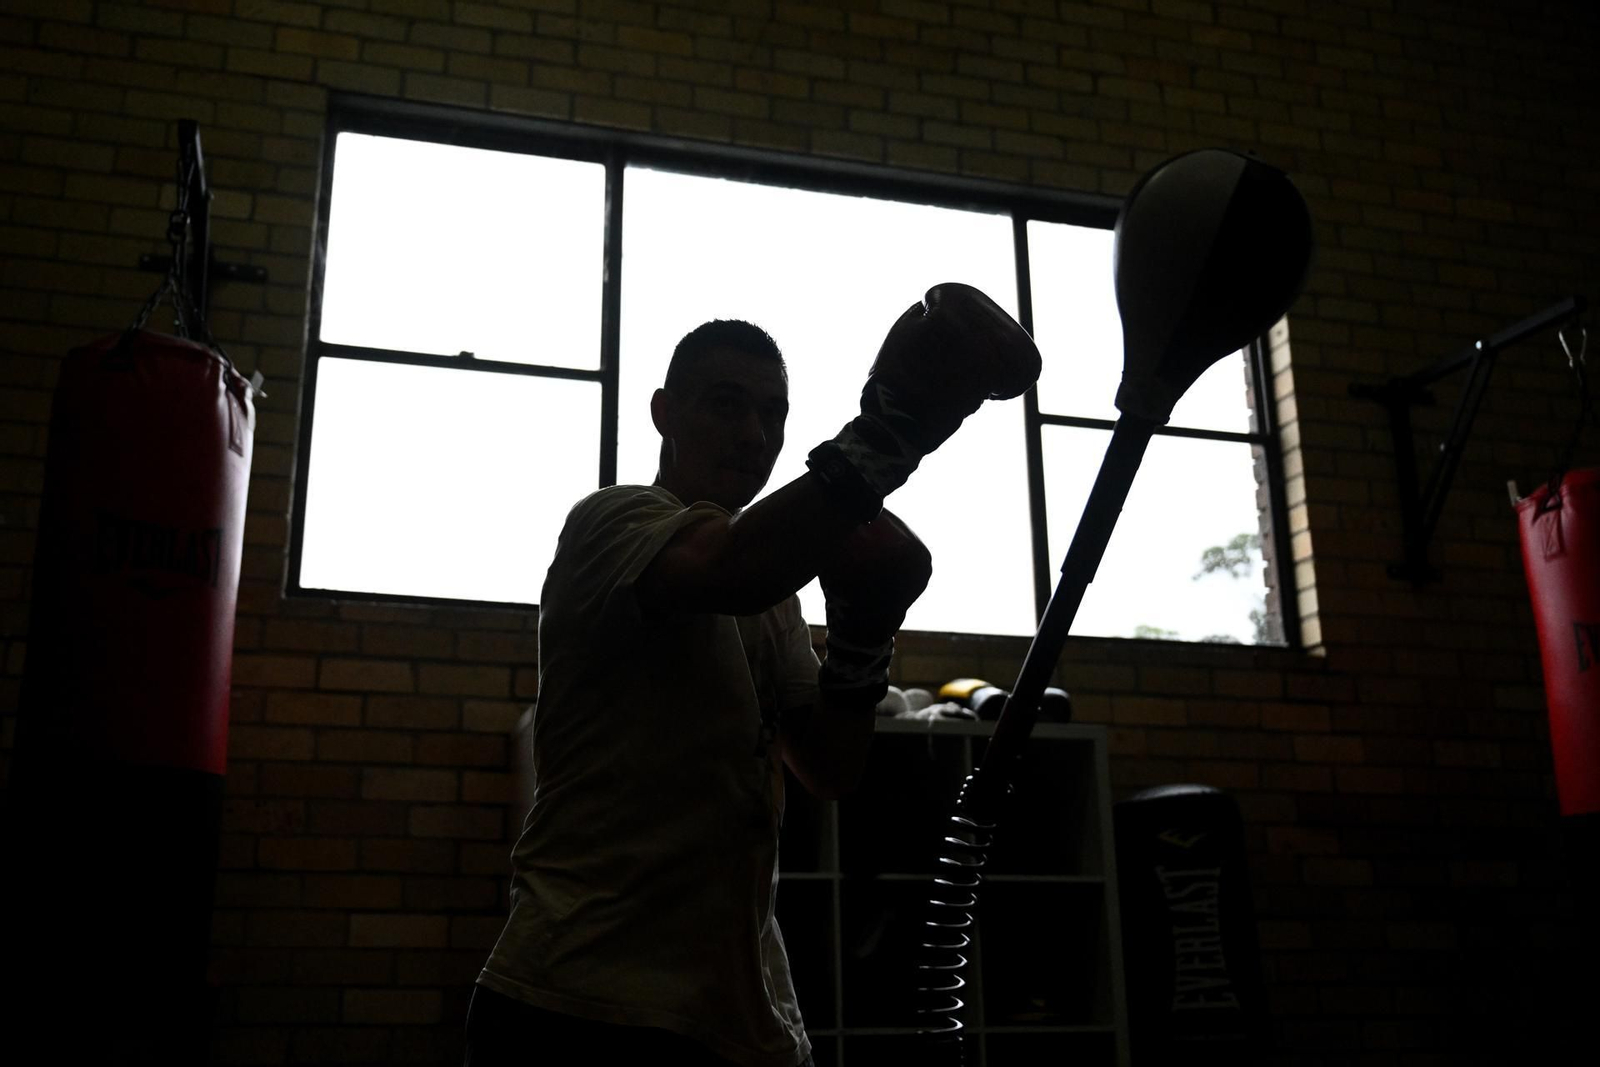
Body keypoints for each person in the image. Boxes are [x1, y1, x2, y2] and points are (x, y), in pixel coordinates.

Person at [466, 286, 1040, 1066]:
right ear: (664, 412)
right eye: (726, 406)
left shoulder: (775, 595)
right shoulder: (613, 522)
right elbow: (733, 565)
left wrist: (863, 636)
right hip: (581, 996)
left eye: (773, 415)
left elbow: (829, 766)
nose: (752, 435)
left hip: (736, 1010)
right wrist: (893, 429)